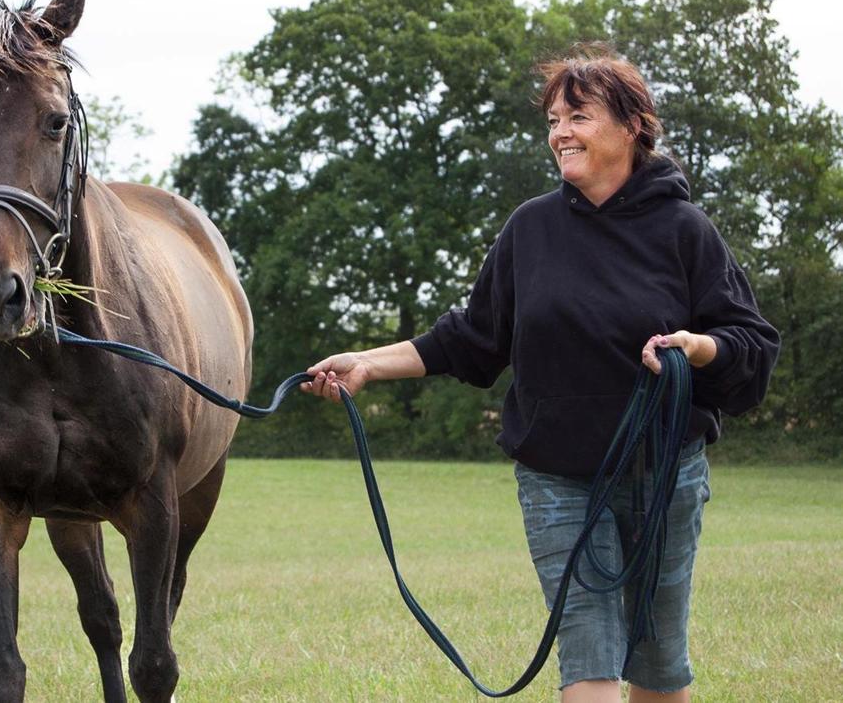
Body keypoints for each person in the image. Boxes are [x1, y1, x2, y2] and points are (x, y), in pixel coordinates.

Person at [300, 46, 779, 702]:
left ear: (632, 126)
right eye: (553, 119)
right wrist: (367, 364)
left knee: (658, 660)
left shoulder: (685, 230)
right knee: (588, 650)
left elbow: (751, 345)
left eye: (577, 115)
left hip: (665, 474)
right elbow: (470, 338)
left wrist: (698, 348)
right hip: (557, 479)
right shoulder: (531, 228)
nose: (559, 133)